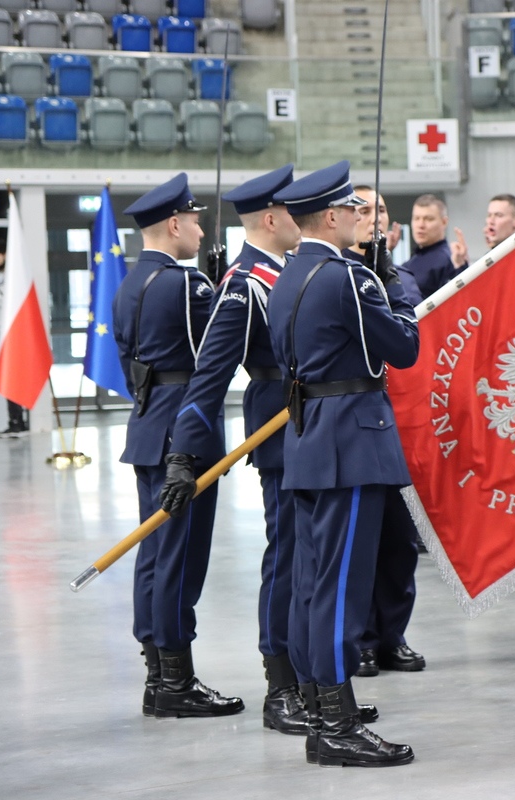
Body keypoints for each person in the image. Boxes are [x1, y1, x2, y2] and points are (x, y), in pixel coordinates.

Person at [266, 161, 419, 767]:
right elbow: (404, 347)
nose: (360, 217)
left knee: (312, 582)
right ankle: (335, 723)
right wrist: (392, 285)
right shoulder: (348, 277)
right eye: (353, 209)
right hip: (352, 443)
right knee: (343, 588)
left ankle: (319, 701)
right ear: (330, 217)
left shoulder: (287, 275)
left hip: (309, 438)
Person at [157, 165, 316, 733]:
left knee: (313, 562)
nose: (302, 219)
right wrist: (183, 454)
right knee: (288, 559)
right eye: (293, 210)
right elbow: (209, 378)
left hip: (315, 427)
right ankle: (281, 689)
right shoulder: (244, 284)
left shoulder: (290, 271)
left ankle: (313, 683)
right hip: (278, 432)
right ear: (271, 219)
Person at [112, 173, 243, 719]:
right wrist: (220, 291)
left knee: (155, 555)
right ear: (173, 224)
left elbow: (130, 363)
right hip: (183, 434)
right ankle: (176, 681)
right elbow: (213, 358)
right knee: (180, 559)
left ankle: (156, 673)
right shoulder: (188, 286)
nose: (199, 230)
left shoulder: (127, 284)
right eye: (193, 221)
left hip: (147, 426)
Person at [341, 187, 428, 680]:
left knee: (400, 540)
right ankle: (362, 641)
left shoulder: (402, 278)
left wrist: (387, 277)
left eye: (379, 211)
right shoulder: (338, 275)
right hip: (358, 423)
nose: (372, 219)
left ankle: (392, 635)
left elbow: (414, 333)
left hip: (404, 426)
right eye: (362, 210)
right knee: (362, 543)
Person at [0, 241, 29, 436]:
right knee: (3, 377)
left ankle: (19, 421)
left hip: (10, 332)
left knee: (13, 375)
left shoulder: (12, 277)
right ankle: (13, 420)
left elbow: (11, 303)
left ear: (5, 255)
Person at [402, 194, 457, 299]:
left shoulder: (449, 260)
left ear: (444, 222)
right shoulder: (410, 262)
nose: (420, 225)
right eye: (416, 218)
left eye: (428, 219)